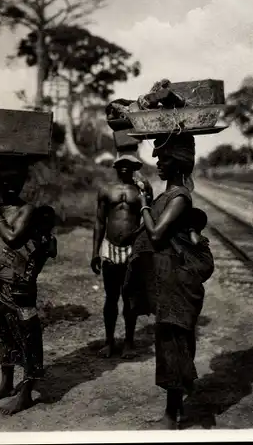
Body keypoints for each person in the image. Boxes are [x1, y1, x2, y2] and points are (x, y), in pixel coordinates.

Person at [124, 133, 214, 429]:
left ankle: (172, 415)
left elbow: (157, 234)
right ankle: (173, 411)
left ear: (176, 165)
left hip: (177, 282)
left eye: (163, 159)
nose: (157, 163)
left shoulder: (178, 198)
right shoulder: (170, 195)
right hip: (167, 279)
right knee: (168, 342)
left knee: (174, 344)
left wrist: (145, 206)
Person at [0, 158, 57, 415]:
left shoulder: (27, 210)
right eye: (8, 177)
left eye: (19, 178)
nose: (14, 183)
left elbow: (13, 239)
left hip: (19, 287)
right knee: (3, 332)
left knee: (27, 335)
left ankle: (26, 390)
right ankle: (6, 382)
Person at [91, 154, 153, 359]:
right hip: (110, 248)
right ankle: (109, 342)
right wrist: (95, 253)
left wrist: (139, 240)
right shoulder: (106, 189)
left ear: (135, 167)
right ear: (116, 167)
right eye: (121, 165)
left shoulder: (142, 190)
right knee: (111, 297)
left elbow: (149, 218)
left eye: (129, 165)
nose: (125, 168)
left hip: (132, 250)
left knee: (130, 298)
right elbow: (100, 222)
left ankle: (129, 342)